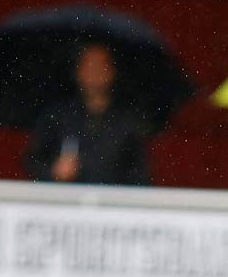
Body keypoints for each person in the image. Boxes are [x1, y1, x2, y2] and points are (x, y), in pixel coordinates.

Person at [24, 44, 151, 187]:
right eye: (88, 65)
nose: (94, 72)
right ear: (78, 71)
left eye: (100, 65)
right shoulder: (57, 115)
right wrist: (53, 172)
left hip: (110, 204)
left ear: (112, 71)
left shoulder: (127, 121)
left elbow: (139, 175)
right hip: (66, 202)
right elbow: (33, 161)